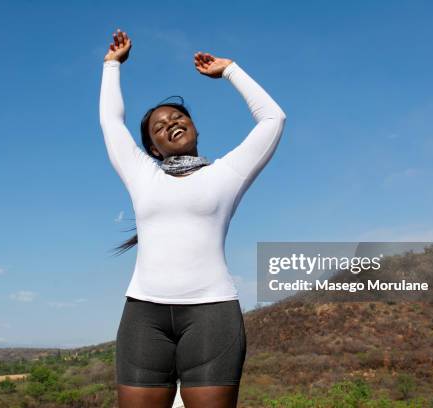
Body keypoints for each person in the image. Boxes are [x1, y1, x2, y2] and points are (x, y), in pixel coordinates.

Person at [99, 28, 286, 408]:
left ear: (195, 126)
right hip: (143, 316)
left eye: (178, 115)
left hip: (212, 315)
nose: (170, 122)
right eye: (159, 126)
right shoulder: (142, 175)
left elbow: (272, 119)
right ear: (152, 147)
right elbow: (111, 123)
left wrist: (231, 70)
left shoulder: (227, 173)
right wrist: (111, 66)